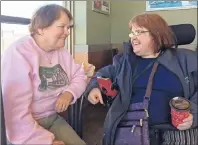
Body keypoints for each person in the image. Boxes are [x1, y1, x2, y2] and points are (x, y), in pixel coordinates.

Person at [84, 13, 197, 145]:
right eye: (132, 33)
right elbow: (102, 74)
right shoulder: (124, 61)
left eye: (139, 32)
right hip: (132, 127)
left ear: (156, 35)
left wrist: (194, 114)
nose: (133, 38)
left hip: (175, 129)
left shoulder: (185, 59)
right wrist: (94, 87)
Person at [1, 4, 87, 145]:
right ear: (41, 28)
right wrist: (47, 142)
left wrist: (69, 93)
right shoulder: (18, 53)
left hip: (52, 118)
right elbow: (16, 116)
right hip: (23, 129)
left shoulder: (62, 51)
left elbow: (79, 75)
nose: (67, 32)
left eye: (68, 27)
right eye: (62, 26)